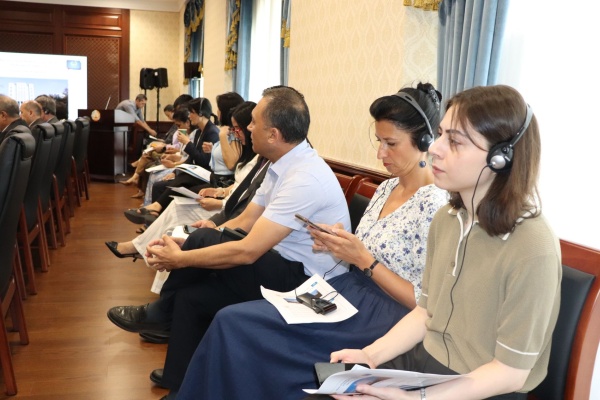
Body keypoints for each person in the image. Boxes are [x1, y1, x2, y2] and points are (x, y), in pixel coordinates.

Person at [174, 83, 449, 400]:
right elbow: (364, 252)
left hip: (382, 315)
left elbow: (426, 304)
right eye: (379, 141)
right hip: (344, 290)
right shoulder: (387, 188)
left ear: (424, 142)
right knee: (232, 320)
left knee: (242, 328)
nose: (380, 154)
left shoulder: (435, 206)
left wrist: (363, 260)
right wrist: (337, 243)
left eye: (391, 144)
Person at [106, 86, 351, 397]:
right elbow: (245, 220)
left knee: (203, 240)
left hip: (307, 283)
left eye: (254, 122)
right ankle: (181, 387)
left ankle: (161, 312)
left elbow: (249, 251)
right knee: (192, 297)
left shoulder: (304, 178)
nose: (248, 127)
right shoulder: (280, 163)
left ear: (273, 134)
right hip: (278, 264)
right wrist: (207, 233)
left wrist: (183, 258)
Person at [322, 85, 561, 400]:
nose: (435, 148)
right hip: (428, 363)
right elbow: (426, 312)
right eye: (440, 135)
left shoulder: (533, 246)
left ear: (500, 158)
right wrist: (370, 356)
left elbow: (510, 373)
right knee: (327, 391)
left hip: (483, 386)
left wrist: (418, 399)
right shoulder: (447, 220)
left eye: (455, 141)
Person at [106, 101, 260, 263]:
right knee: (174, 195)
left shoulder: (218, 134)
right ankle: (145, 243)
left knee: (177, 205)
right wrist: (220, 192)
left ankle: (143, 245)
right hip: (223, 195)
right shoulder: (240, 150)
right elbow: (239, 184)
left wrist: (219, 201)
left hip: (226, 205)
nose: (235, 133)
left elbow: (241, 194)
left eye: (237, 129)